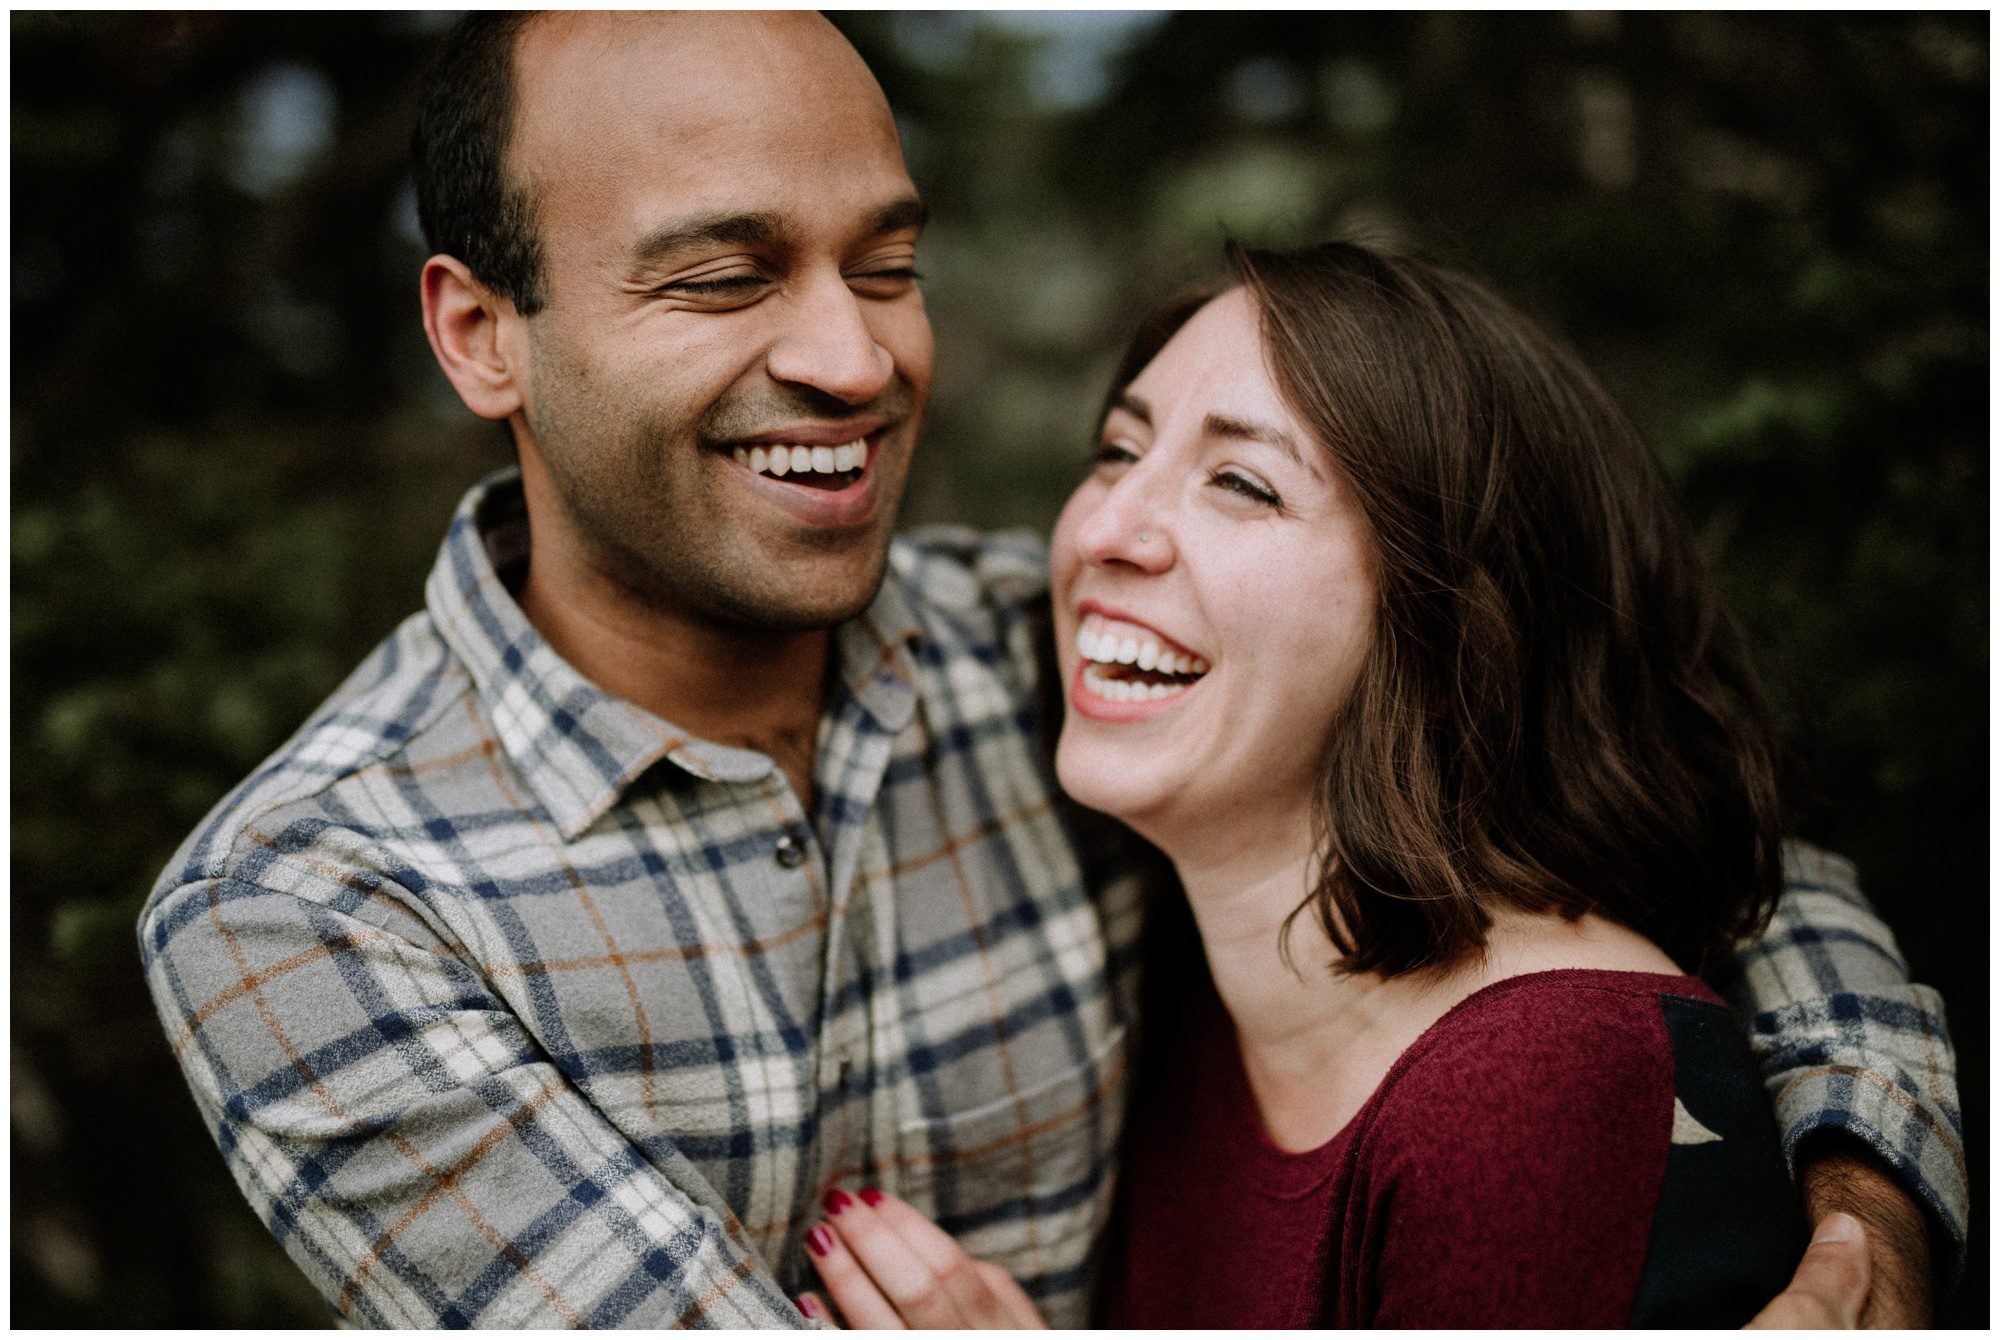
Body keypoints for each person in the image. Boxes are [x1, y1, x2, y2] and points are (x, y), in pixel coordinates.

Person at [136, 12, 1960, 1329]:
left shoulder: (1068, 656)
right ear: (482, 334)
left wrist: (1865, 1190)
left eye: (891, 259)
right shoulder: (314, 907)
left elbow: (1664, 828)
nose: (852, 357)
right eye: (724, 277)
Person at [797, 242, 1942, 1328]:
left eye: (1240, 483)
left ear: (1450, 624)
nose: (1105, 528)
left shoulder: (1530, 1089)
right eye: (1114, 451)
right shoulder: (1187, 983)